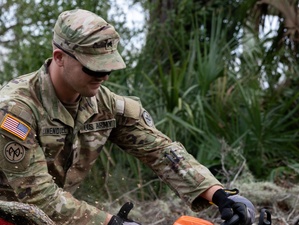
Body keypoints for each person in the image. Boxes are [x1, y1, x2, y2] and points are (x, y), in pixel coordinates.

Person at [0, 9, 255, 225]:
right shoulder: (15, 109)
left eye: (109, 66)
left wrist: (218, 193)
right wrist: (110, 222)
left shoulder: (104, 103)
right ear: (60, 58)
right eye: (93, 67)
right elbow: (37, 195)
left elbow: (159, 149)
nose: (103, 76)